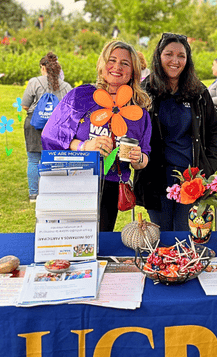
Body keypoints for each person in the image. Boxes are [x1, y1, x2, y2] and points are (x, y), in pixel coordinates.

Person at [42, 40, 152, 231]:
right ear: (102, 65)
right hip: (73, 179)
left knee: (97, 243)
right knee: (65, 239)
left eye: (125, 63)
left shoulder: (138, 111)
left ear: (133, 70)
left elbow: (145, 155)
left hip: (108, 188)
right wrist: (84, 146)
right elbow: (51, 135)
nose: (117, 67)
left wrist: (139, 159)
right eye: (112, 60)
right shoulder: (81, 96)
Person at [134, 32, 217, 231]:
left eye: (181, 55)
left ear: (187, 59)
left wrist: (209, 165)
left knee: (186, 234)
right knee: (161, 236)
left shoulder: (198, 92)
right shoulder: (143, 91)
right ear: (159, 56)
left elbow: (214, 129)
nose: (175, 60)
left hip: (190, 180)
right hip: (155, 179)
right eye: (169, 54)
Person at [21, 52, 72, 202]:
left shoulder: (34, 82)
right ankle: (52, 191)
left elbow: (24, 105)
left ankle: (34, 194)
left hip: (34, 125)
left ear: (43, 67)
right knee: (54, 159)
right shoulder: (66, 86)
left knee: (33, 159)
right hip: (56, 126)